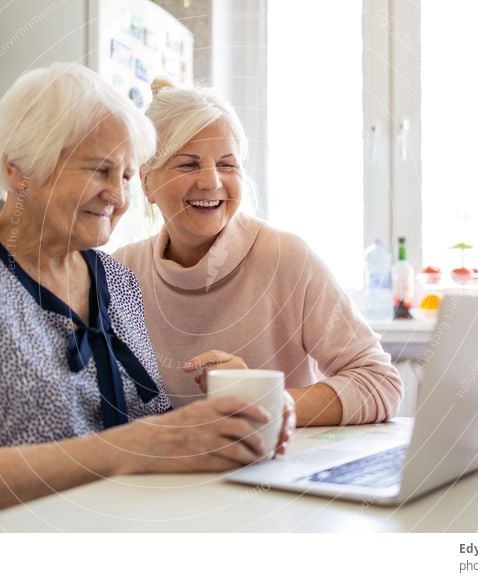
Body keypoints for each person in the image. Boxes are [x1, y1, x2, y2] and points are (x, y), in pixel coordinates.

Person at [0, 64, 292, 533]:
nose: (117, 197)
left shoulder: (116, 281)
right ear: (19, 168)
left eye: (127, 176)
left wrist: (232, 420)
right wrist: (137, 447)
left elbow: (139, 432)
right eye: (99, 169)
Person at [114, 78, 402, 426]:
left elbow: (380, 383)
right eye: (189, 164)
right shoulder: (121, 271)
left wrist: (263, 398)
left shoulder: (286, 258)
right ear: (146, 183)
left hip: (277, 470)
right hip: (170, 473)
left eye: (226, 164)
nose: (211, 182)